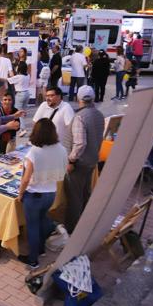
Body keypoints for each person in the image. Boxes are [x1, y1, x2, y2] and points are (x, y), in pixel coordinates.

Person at [16, 118, 68, 268]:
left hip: (34, 195)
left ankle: (33, 260)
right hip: (51, 193)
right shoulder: (60, 149)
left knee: (32, 226)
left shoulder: (34, 152)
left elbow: (25, 179)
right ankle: (41, 250)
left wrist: (20, 194)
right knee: (42, 220)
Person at [63, 86, 104, 233]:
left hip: (79, 163)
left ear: (79, 99)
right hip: (92, 160)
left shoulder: (80, 117)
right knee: (85, 193)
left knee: (75, 198)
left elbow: (80, 143)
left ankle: (72, 230)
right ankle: (85, 224)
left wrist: (71, 161)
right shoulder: (99, 114)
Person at [7, 61, 30, 137]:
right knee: (22, 112)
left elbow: (9, 80)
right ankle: (22, 128)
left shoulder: (18, 77)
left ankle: (22, 129)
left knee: (18, 112)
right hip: (27, 93)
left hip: (20, 94)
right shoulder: (27, 76)